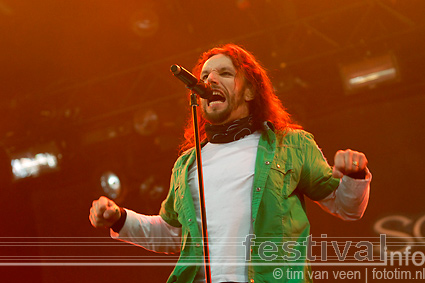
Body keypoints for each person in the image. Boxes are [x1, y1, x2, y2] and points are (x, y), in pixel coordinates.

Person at [89, 44, 371, 283]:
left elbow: (345, 207)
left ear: (249, 92)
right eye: (205, 75)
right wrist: (120, 219)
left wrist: (355, 175)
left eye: (225, 73)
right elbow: (174, 233)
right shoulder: (188, 164)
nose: (210, 80)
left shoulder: (290, 145)